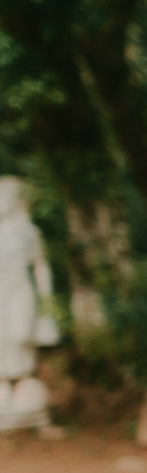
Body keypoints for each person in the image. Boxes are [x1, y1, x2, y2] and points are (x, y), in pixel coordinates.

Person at [0, 176, 58, 428]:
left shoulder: (29, 231)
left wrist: (46, 296)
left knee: (21, 335)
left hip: (21, 290)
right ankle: (3, 386)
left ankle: (23, 382)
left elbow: (41, 264)